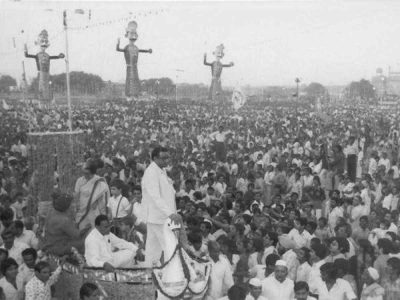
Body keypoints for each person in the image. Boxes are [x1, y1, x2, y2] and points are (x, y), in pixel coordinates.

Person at [141, 147, 176, 266]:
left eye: (168, 158)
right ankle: (172, 273)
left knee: (153, 248)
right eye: (164, 158)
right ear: (155, 158)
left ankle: (149, 271)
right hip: (158, 216)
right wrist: (170, 213)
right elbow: (155, 197)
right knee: (169, 246)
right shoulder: (151, 172)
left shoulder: (161, 170)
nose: (167, 161)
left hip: (160, 216)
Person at [75, 159, 110, 232]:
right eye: (84, 173)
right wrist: (77, 206)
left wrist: (97, 202)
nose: (85, 175)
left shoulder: (100, 182)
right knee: (82, 230)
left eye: (87, 173)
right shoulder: (80, 181)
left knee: (95, 231)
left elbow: (104, 199)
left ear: (93, 172)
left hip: (95, 211)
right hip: (81, 212)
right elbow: (77, 195)